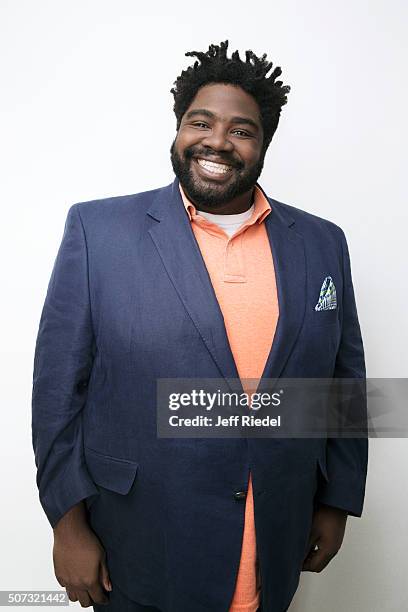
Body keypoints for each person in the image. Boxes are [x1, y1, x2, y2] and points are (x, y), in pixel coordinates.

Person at [31, 40, 368, 612]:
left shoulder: (321, 242)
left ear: (263, 145)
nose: (217, 140)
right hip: (138, 545)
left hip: (275, 540)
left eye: (242, 129)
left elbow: (343, 383)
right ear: (178, 128)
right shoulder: (98, 231)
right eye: (201, 121)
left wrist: (336, 501)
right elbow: (57, 394)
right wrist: (68, 526)